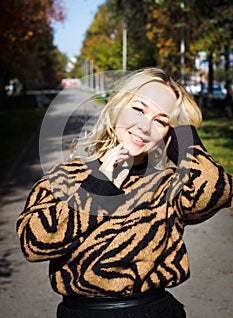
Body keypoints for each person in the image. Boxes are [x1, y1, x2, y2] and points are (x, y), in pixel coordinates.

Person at [16, 68, 232, 318]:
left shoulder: (168, 183)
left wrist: (185, 138)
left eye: (161, 120)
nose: (145, 126)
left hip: (154, 311)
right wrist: (99, 185)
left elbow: (217, 193)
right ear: (118, 107)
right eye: (138, 109)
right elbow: (33, 243)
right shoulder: (66, 175)